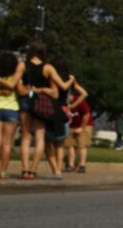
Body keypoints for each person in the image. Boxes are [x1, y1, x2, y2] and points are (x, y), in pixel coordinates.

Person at [15, 43, 73, 179]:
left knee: (26, 137)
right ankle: (33, 170)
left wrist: (31, 90)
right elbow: (58, 91)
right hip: (42, 105)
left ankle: (25, 169)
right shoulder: (48, 68)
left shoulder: (22, 65)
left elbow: (19, 89)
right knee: (40, 138)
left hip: (25, 102)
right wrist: (42, 90)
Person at [43, 56, 85, 179]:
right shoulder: (70, 78)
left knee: (47, 145)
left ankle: (55, 169)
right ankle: (58, 171)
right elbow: (84, 94)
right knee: (59, 145)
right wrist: (71, 106)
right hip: (64, 113)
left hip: (50, 111)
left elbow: (59, 89)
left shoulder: (50, 77)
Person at [0, 53, 21, 179]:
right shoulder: (15, 78)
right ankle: (3, 171)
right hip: (12, 109)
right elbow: (20, 90)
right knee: (7, 143)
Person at [64, 91, 93, 173]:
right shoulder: (64, 103)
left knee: (81, 145)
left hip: (85, 124)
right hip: (71, 125)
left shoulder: (79, 101)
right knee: (69, 145)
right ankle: (70, 165)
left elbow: (86, 115)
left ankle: (82, 165)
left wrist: (81, 128)